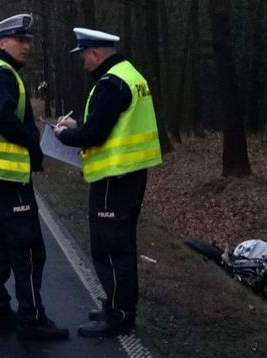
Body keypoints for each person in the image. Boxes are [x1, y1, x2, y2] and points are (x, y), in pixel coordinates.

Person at [0, 13, 68, 340]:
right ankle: (31, 319)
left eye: (29, 40)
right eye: (21, 40)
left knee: (0, 246)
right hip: (8, 177)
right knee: (29, 249)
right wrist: (32, 138)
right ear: (2, 42)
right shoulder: (3, 74)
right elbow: (0, 117)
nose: (27, 46)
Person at [54, 27, 162, 338]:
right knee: (121, 246)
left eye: (84, 57)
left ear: (96, 54)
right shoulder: (129, 75)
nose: (84, 63)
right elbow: (110, 124)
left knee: (111, 249)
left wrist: (64, 134)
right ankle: (118, 306)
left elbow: (95, 135)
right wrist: (82, 125)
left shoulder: (110, 83)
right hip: (128, 175)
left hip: (114, 179)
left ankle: (118, 316)